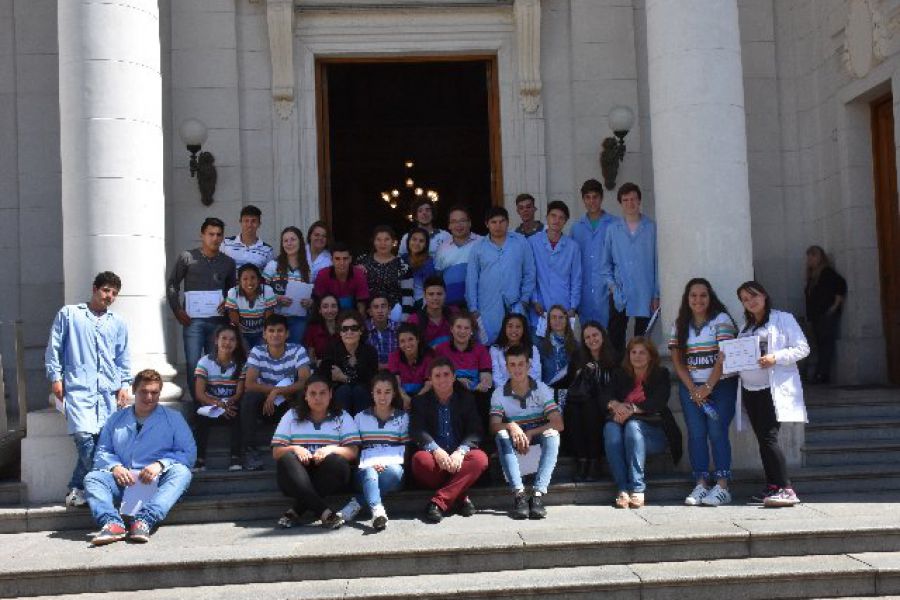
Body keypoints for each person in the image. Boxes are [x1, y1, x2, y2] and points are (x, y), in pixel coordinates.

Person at [45, 271, 132, 508]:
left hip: (107, 393)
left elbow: (123, 357)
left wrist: (125, 384)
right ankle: (110, 489)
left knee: (101, 443)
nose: (109, 296)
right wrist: (55, 377)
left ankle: (76, 488)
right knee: (84, 438)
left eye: (114, 293)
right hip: (78, 389)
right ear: (95, 289)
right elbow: (54, 347)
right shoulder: (70, 314)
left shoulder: (118, 322)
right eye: (106, 291)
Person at [85, 369, 196, 545]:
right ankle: (112, 524)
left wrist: (160, 464)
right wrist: (115, 467)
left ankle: (144, 520)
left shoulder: (173, 419)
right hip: (123, 482)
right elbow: (102, 451)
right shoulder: (115, 419)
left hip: (157, 481)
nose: (149, 397)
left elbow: (188, 453)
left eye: (154, 392)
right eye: (144, 391)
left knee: (182, 473)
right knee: (93, 478)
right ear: (134, 390)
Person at [735, 280, 810, 507]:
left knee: (769, 437)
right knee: (762, 439)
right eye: (745, 300)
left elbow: (802, 348)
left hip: (772, 388)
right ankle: (773, 486)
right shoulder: (746, 326)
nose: (750, 302)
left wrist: (775, 357)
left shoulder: (783, 319)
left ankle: (786, 488)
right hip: (750, 389)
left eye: (753, 296)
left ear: (764, 295)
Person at [668, 278, 739, 507]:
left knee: (717, 431)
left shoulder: (721, 320)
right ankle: (701, 483)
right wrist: (693, 389)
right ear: (687, 299)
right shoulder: (680, 324)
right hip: (691, 388)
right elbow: (677, 362)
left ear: (710, 297)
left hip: (721, 386)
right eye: (693, 295)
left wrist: (707, 387)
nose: (698, 300)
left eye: (703, 295)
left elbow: (723, 356)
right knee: (696, 433)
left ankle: (722, 486)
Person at [271, 375, 360, 530]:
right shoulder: (291, 415)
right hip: (296, 477)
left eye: (322, 393)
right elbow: (276, 452)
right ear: (305, 396)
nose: (317, 398)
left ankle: (296, 510)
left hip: (328, 476)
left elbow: (353, 452)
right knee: (286, 458)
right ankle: (324, 512)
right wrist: (295, 448)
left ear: (331, 394)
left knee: (339, 461)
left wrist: (330, 449)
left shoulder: (342, 416)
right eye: (312, 393)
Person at [603, 338, 681, 509]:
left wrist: (631, 410)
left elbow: (658, 402)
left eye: (642, 352)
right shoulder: (620, 374)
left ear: (651, 356)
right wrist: (615, 405)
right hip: (623, 432)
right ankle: (623, 489)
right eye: (634, 352)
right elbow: (605, 395)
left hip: (653, 434)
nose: (637, 356)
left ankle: (637, 489)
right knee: (610, 428)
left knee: (632, 426)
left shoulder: (661, 374)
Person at [410, 358, 489, 523]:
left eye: (446, 374)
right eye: (437, 376)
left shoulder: (466, 398)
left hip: (460, 460)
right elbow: (417, 430)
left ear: (454, 377)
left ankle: (439, 502)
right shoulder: (420, 402)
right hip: (435, 460)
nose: (442, 379)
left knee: (480, 459)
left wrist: (460, 452)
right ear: (430, 380)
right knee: (419, 460)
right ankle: (460, 495)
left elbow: (476, 430)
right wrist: (436, 450)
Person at [167, 217, 237, 402]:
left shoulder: (228, 262)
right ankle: (199, 404)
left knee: (215, 362)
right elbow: (172, 284)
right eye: (210, 234)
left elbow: (233, 290)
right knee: (193, 364)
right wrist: (176, 309)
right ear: (202, 235)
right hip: (193, 321)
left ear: (222, 237)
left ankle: (213, 404)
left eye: (218, 234)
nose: (214, 238)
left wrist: (228, 301)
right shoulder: (187, 257)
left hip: (218, 322)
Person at [490, 345, 563, 520]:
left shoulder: (541, 388)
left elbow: (558, 423)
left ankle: (537, 495)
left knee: (553, 434)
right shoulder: (499, 393)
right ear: (507, 367)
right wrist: (511, 426)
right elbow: (493, 426)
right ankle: (519, 496)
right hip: (513, 441)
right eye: (512, 365)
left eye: (521, 364)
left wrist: (531, 433)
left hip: (535, 438)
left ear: (529, 365)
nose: (517, 369)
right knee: (501, 435)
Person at [338, 371, 411, 530]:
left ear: (394, 393)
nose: (382, 397)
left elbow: (406, 450)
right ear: (372, 393)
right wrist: (368, 464)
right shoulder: (359, 418)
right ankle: (377, 511)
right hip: (365, 471)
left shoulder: (402, 418)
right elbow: (353, 449)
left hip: (392, 472)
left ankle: (356, 503)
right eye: (378, 392)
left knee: (395, 472)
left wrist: (385, 463)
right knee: (370, 471)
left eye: (387, 392)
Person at [242, 314, 312, 471]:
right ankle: (249, 451)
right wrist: (275, 392)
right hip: (264, 406)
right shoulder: (257, 352)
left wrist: (277, 392)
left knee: (303, 395)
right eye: (271, 331)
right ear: (264, 334)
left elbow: (304, 381)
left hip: (288, 403)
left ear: (287, 333)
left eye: (280, 330)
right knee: (249, 398)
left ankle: (298, 447)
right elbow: (250, 384)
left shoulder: (297, 350)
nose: (275, 334)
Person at [602, 183, 659, 355]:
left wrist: (656, 294)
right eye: (625, 200)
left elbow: (657, 263)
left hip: (645, 292)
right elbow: (605, 264)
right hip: (620, 292)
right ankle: (618, 375)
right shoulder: (613, 230)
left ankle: (640, 377)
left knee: (642, 339)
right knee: (615, 337)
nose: (630, 203)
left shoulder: (651, 228)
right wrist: (613, 287)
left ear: (639, 200)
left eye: (633, 199)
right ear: (620, 203)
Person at [466, 206, 536, 344]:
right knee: (491, 346)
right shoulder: (478, 247)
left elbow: (529, 272)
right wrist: (473, 308)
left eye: (501, 221)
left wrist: (524, 299)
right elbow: (471, 280)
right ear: (487, 224)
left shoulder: (520, 242)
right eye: (493, 222)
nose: (498, 226)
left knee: (518, 346)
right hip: (487, 308)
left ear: (508, 222)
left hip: (515, 304)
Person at [566, 321, 616, 481]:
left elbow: (617, 387)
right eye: (587, 337)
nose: (591, 339)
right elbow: (572, 386)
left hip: (607, 404)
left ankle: (594, 461)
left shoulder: (615, 357)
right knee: (573, 410)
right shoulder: (578, 357)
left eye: (595, 335)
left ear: (602, 336)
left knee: (590, 409)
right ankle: (582, 460)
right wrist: (580, 374)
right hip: (583, 403)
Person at [193, 324, 245, 473]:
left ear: (237, 343)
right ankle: (200, 459)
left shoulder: (242, 364)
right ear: (216, 340)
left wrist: (227, 405)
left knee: (238, 414)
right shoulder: (205, 362)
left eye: (232, 339)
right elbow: (199, 393)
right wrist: (218, 405)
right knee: (200, 416)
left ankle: (236, 457)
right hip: (211, 406)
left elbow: (238, 393)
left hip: (230, 406)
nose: (227, 343)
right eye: (224, 338)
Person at [571, 179, 619, 328]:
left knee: (609, 339)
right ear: (583, 199)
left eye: (595, 197)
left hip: (608, 291)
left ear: (601, 198)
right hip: (585, 293)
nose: (592, 201)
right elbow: (572, 263)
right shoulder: (576, 228)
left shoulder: (615, 224)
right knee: (588, 336)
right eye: (588, 197)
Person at [529, 200, 582, 328]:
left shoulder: (573, 247)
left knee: (562, 344)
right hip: (539, 307)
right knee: (539, 344)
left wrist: (573, 307)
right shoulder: (532, 242)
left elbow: (576, 279)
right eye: (553, 216)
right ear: (546, 217)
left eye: (561, 218)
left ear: (565, 221)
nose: (556, 220)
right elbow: (529, 275)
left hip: (564, 306)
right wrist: (534, 300)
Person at [320, 310, 379, 416]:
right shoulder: (331, 350)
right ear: (340, 332)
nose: (349, 332)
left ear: (361, 331)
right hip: (338, 397)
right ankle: (343, 428)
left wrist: (344, 378)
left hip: (363, 396)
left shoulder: (370, 352)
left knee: (358, 390)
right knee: (344, 390)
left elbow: (371, 382)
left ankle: (362, 428)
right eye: (345, 329)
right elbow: (324, 377)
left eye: (354, 328)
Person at [263, 226, 314, 345]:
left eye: (293, 239)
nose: (289, 243)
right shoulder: (273, 265)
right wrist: (276, 299)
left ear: (300, 242)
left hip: (299, 319)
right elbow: (261, 291)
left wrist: (310, 302)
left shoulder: (307, 268)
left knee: (295, 349)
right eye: (285, 241)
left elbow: (311, 293)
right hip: (277, 319)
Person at [804, 245, 847, 384]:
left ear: (820, 257)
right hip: (817, 316)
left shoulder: (827, 272)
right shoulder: (812, 276)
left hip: (825, 315)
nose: (810, 259)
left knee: (826, 344)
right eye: (809, 256)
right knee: (819, 344)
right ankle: (820, 374)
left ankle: (822, 375)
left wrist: (834, 306)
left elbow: (841, 284)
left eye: (813, 255)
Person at [435, 205, 481, 308]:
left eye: (462, 221)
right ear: (449, 226)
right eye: (454, 221)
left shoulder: (482, 243)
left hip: (479, 305)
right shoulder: (442, 248)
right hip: (451, 307)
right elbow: (438, 278)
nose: (458, 225)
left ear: (469, 223)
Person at [434, 312, 492, 394]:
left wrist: (484, 384)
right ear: (451, 329)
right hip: (449, 393)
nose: (462, 331)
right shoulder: (441, 349)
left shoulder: (481, 350)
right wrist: (456, 382)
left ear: (471, 331)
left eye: (466, 328)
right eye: (459, 327)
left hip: (475, 394)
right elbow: (436, 377)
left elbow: (486, 375)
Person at [356, 225, 410, 309]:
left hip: (395, 312)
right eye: (379, 240)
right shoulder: (363, 261)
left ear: (393, 242)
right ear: (374, 242)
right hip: (368, 312)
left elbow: (407, 294)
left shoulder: (402, 264)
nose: (383, 243)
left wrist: (405, 316)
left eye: (387, 239)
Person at [225, 263, 277, 351]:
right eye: (245, 279)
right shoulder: (233, 293)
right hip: (241, 333)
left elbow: (269, 321)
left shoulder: (267, 291)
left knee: (260, 355)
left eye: (253, 278)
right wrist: (242, 343)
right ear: (239, 281)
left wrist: (265, 340)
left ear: (259, 279)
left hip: (261, 332)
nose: (249, 282)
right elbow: (235, 323)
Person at [313, 242, 370, 314]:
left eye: (345, 258)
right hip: (328, 315)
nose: (341, 262)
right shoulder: (323, 274)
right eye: (337, 259)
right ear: (332, 260)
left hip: (352, 316)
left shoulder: (359, 274)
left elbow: (362, 304)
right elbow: (319, 302)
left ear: (350, 259)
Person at [388, 323, 434, 410]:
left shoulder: (428, 358)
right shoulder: (393, 357)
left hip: (422, 395)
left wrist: (415, 401)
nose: (407, 344)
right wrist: (405, 398)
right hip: (402, 396)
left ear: (417, 339)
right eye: (402, 341)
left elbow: (428, 385)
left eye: (410, 339)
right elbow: (396, 384)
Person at [489, 313, 542, 388]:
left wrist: (524, 391)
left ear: (524, 329)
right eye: (510, 326)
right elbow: (496, 377)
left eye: (518, 327)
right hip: (504, 393)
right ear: (504, 328)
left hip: (529, 392)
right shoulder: (495, 349)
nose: (514, 330)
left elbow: (536, 375)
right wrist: (511, 392)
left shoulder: (532, 348)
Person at [537, 304, 579, 397]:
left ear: (566, 320)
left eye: (561, 317)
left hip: (571, 394)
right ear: (549, 321)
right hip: (547, 394)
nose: (557, 320)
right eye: (554, 317)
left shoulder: (576, 346)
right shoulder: (541, 346)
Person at [221, 205, 275, 273]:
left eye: (253, 221)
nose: (249, 225)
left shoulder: (267, 250)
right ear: (240, 222)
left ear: (259, 224)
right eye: (246, 221)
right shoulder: (226, 243)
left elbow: (268, 277)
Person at [407, 276, 456, 349]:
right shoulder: (414, 320)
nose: (435, 298)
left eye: (439, 294)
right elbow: (410, 348)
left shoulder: (454, 313)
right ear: (424, 295)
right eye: (431, 294)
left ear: (445, 294)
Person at [403, 227, 436, 310]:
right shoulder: (402, 259)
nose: (417, 243)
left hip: (421, 303)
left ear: (425, 245)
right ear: (408, 241)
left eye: (421, 241)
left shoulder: (428, 262)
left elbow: (429, 288)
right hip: (403, 301)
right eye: (414, 239)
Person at [303, 293, 340, 365]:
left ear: (338, 308)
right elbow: (311, 358)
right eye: (325, 307)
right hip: (321, 369)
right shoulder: (312, 330)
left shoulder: (345, 327)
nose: (330, 311)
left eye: (333, 306)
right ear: (319, 310)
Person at [366, 294, 399, 369]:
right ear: (370, 312)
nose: (380, 311)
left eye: (383, 306)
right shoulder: (363, 330)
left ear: (389, 310)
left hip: (394, 373)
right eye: (376, 307)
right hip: (370, 373)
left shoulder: (399, 329)